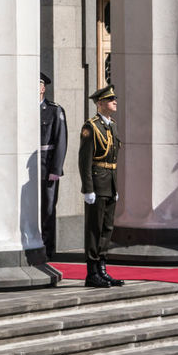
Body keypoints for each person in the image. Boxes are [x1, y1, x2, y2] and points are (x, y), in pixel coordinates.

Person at [78, 84, 125, 288]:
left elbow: (113, 159)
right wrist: (88, 189)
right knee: (94, 229)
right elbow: (85, 160)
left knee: (107, 228)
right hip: (97, 184)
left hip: (109, 183)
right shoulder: (91, 127)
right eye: (110, 99)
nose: (114, 102)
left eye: (114, 99)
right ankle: (92, 272)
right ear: (100, 104)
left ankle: (102, 268)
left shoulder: (112, 125)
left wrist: (115, 187)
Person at [39, 72, 68, 259]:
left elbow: (61, 141)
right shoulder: (23, 108)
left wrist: (56, 170)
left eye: (38, 84)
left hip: (46, 166)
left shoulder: (54, 110)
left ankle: (48, 250)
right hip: (27, 170)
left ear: (43, 88)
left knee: (48, 209)